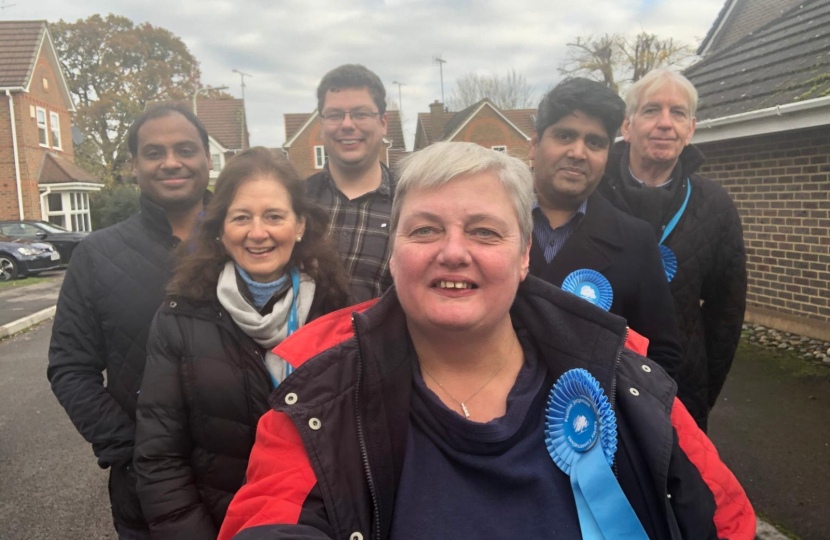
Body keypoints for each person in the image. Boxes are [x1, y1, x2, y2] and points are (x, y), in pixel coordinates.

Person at [217, 142, 756, 540]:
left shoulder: (620, 372)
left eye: (484, 231)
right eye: (425, 230)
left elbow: (724, 518)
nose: (453, 252)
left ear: (524, 256)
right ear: (393, 253)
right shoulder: (318, 397)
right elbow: (270, 517)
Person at [133, 147, 348, 539]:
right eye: (241, 217)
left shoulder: (338, 308)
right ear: (220, 229)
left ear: (299, 225)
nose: (258, 232)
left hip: (315, 526)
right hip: (218, 526)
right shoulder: (180, 316)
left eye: (274, 216)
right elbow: (159, 457)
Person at [47, 104, 212, 539]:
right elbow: (70, 367)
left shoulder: (250, 241)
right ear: (135, 166)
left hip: (253, 481)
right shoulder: (97, 255)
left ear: (208, 160)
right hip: (145, 497)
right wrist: (134, 451)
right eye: (154, 152)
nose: (172, 161)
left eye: (185, 149)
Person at [597, 68, 747, 431]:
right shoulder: (591, 196)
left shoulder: (716, 205)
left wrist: (702, 392)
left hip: (683, 390)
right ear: (627, 126)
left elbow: (726, 310)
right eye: (651, 110)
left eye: (677, 112)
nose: (665, 123)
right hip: (594, 383)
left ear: (691, 128)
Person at [529, 78, 683, 380]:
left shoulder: (635, 240)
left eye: (595, 142)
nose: (578, 152)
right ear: (534, 144)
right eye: (564, 135)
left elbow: (661, 353)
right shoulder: (486, 226)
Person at [306, 64, 394, 303]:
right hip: (303, 340)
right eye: (335, 115)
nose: (347, 124)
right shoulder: (296, 202)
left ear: (383, 122)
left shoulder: (411, 203)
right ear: (321, 125)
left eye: (360, 114)